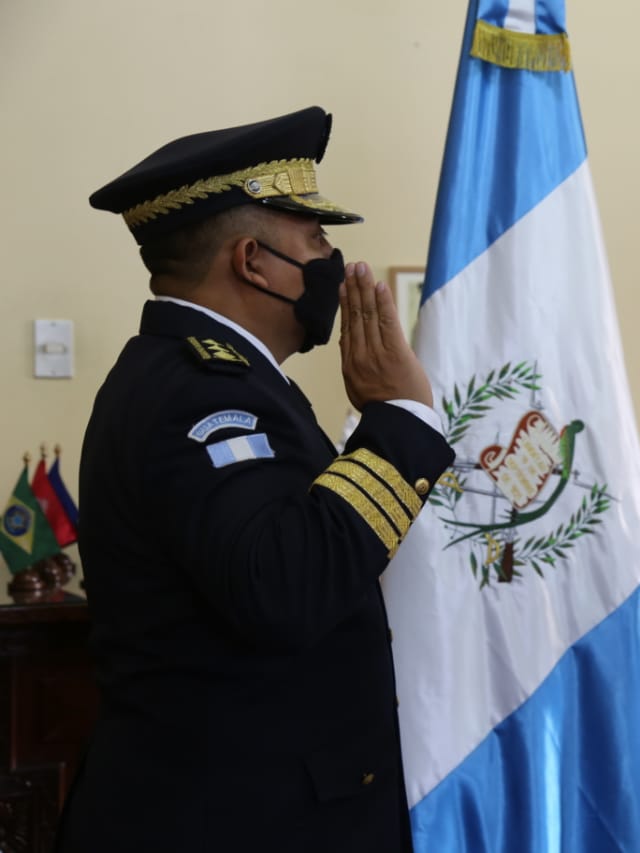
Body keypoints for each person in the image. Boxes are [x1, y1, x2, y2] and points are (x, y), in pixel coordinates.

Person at [56, 107, 455, 853]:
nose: (333, 259)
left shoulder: (213, 380)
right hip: (232, 821)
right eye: (315, 238)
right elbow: (286, 583)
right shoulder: (203, 392)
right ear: (252, 261)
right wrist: (401, 420)